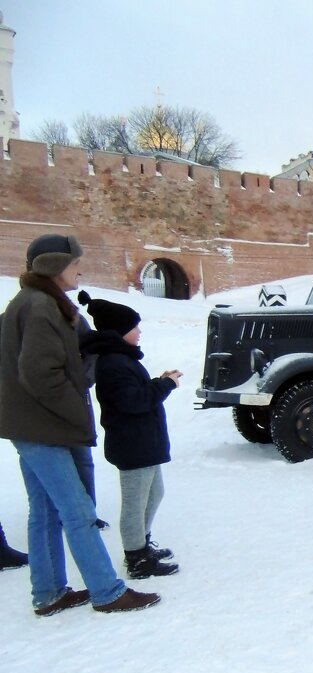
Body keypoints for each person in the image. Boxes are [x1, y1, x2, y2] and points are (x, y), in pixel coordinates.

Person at [0, 233, 160, 614]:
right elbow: (41, 375)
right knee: (78, 511)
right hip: (46, 428)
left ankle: (49, 592)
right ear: (54, 267)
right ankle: (107, 592)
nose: (80, 270)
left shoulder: (27, 304)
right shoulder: (41, 307)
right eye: (74, 264)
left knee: (44, 510)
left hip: (30, 427)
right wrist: (75, 412)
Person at [79, 292, 181, 579]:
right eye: (134, 327)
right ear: (120, 331)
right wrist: (164, 386)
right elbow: (131, 402)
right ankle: (136, 558)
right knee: (135, 503)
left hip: (143, 443)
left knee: (154, 494)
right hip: (133, 445)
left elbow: (133, 393)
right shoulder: (113, 363)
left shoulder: (121, 359)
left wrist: (158, 382)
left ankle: (142, 545)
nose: (139, 331)